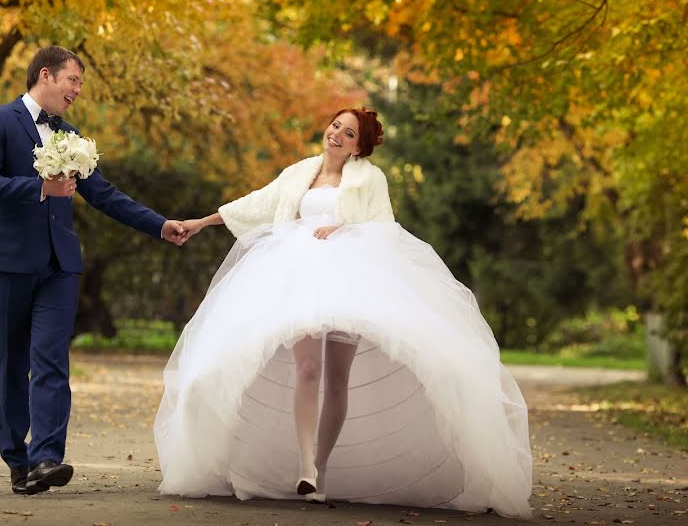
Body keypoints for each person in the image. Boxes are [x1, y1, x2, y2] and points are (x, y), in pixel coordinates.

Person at [154, 107, 532, 517]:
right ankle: (304, 468)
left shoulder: (370, 178)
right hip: (297, 276)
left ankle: (322, 465)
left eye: (348, 133)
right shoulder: (300, 172)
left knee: (337, 376)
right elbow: (258, 202)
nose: (336, 134)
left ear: (359, 146)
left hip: (349, 279)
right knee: (308, 369)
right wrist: (202, 221)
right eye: (336, 126)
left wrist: (345, 228)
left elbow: (385, 227)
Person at [0, 45, 187, 495]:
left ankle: (46, 456)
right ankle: (18, 462)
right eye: (74, 81)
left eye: (81, 84)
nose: (78, 91)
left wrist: (159, 225)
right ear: (45, 75)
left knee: (51, 360)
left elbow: (104, 194)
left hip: (60, 267)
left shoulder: (70, 135)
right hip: (9, 263)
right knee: (13, 363)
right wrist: (40, 187)